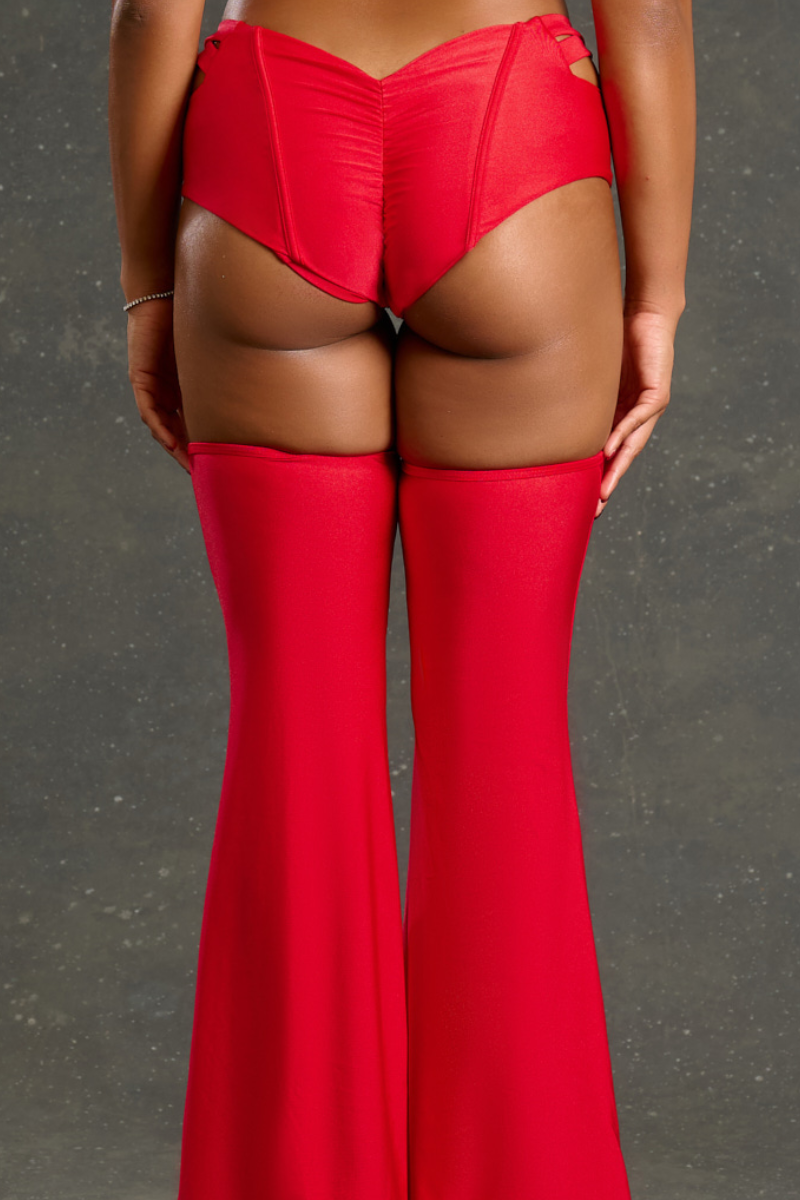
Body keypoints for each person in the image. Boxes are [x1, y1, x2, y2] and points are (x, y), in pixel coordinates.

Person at [108, 0, 695, 1195]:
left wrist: (148, 286)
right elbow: (652, 16)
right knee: (503, 751)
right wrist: (655, 296)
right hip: (513, 151)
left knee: (290, 740)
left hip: (270, 143)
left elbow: (149, 11)